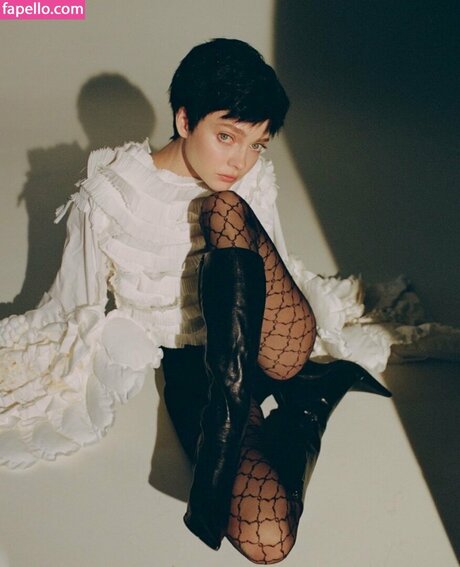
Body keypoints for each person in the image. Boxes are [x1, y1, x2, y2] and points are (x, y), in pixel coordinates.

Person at [0, 39, 391, 564]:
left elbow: (275, 264)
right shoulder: (113, 193)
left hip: (274, 343)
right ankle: (309, 409)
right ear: (184, 120)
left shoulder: (248, 184)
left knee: (224, 206)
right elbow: (75, 306)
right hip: (197, 367)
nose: (241, 160)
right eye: (226, 136)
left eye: (257, 144)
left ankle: (227, 434)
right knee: (268, 538)